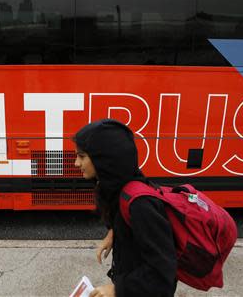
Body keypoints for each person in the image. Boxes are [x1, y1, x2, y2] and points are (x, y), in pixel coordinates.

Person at [73, 119, 177, 297]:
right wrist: (114, 232)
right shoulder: (117, 189)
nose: (76, 163)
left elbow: (164, 275)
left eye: (82, 156)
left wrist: (117, 289)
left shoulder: (140, 205)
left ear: (104, 159)